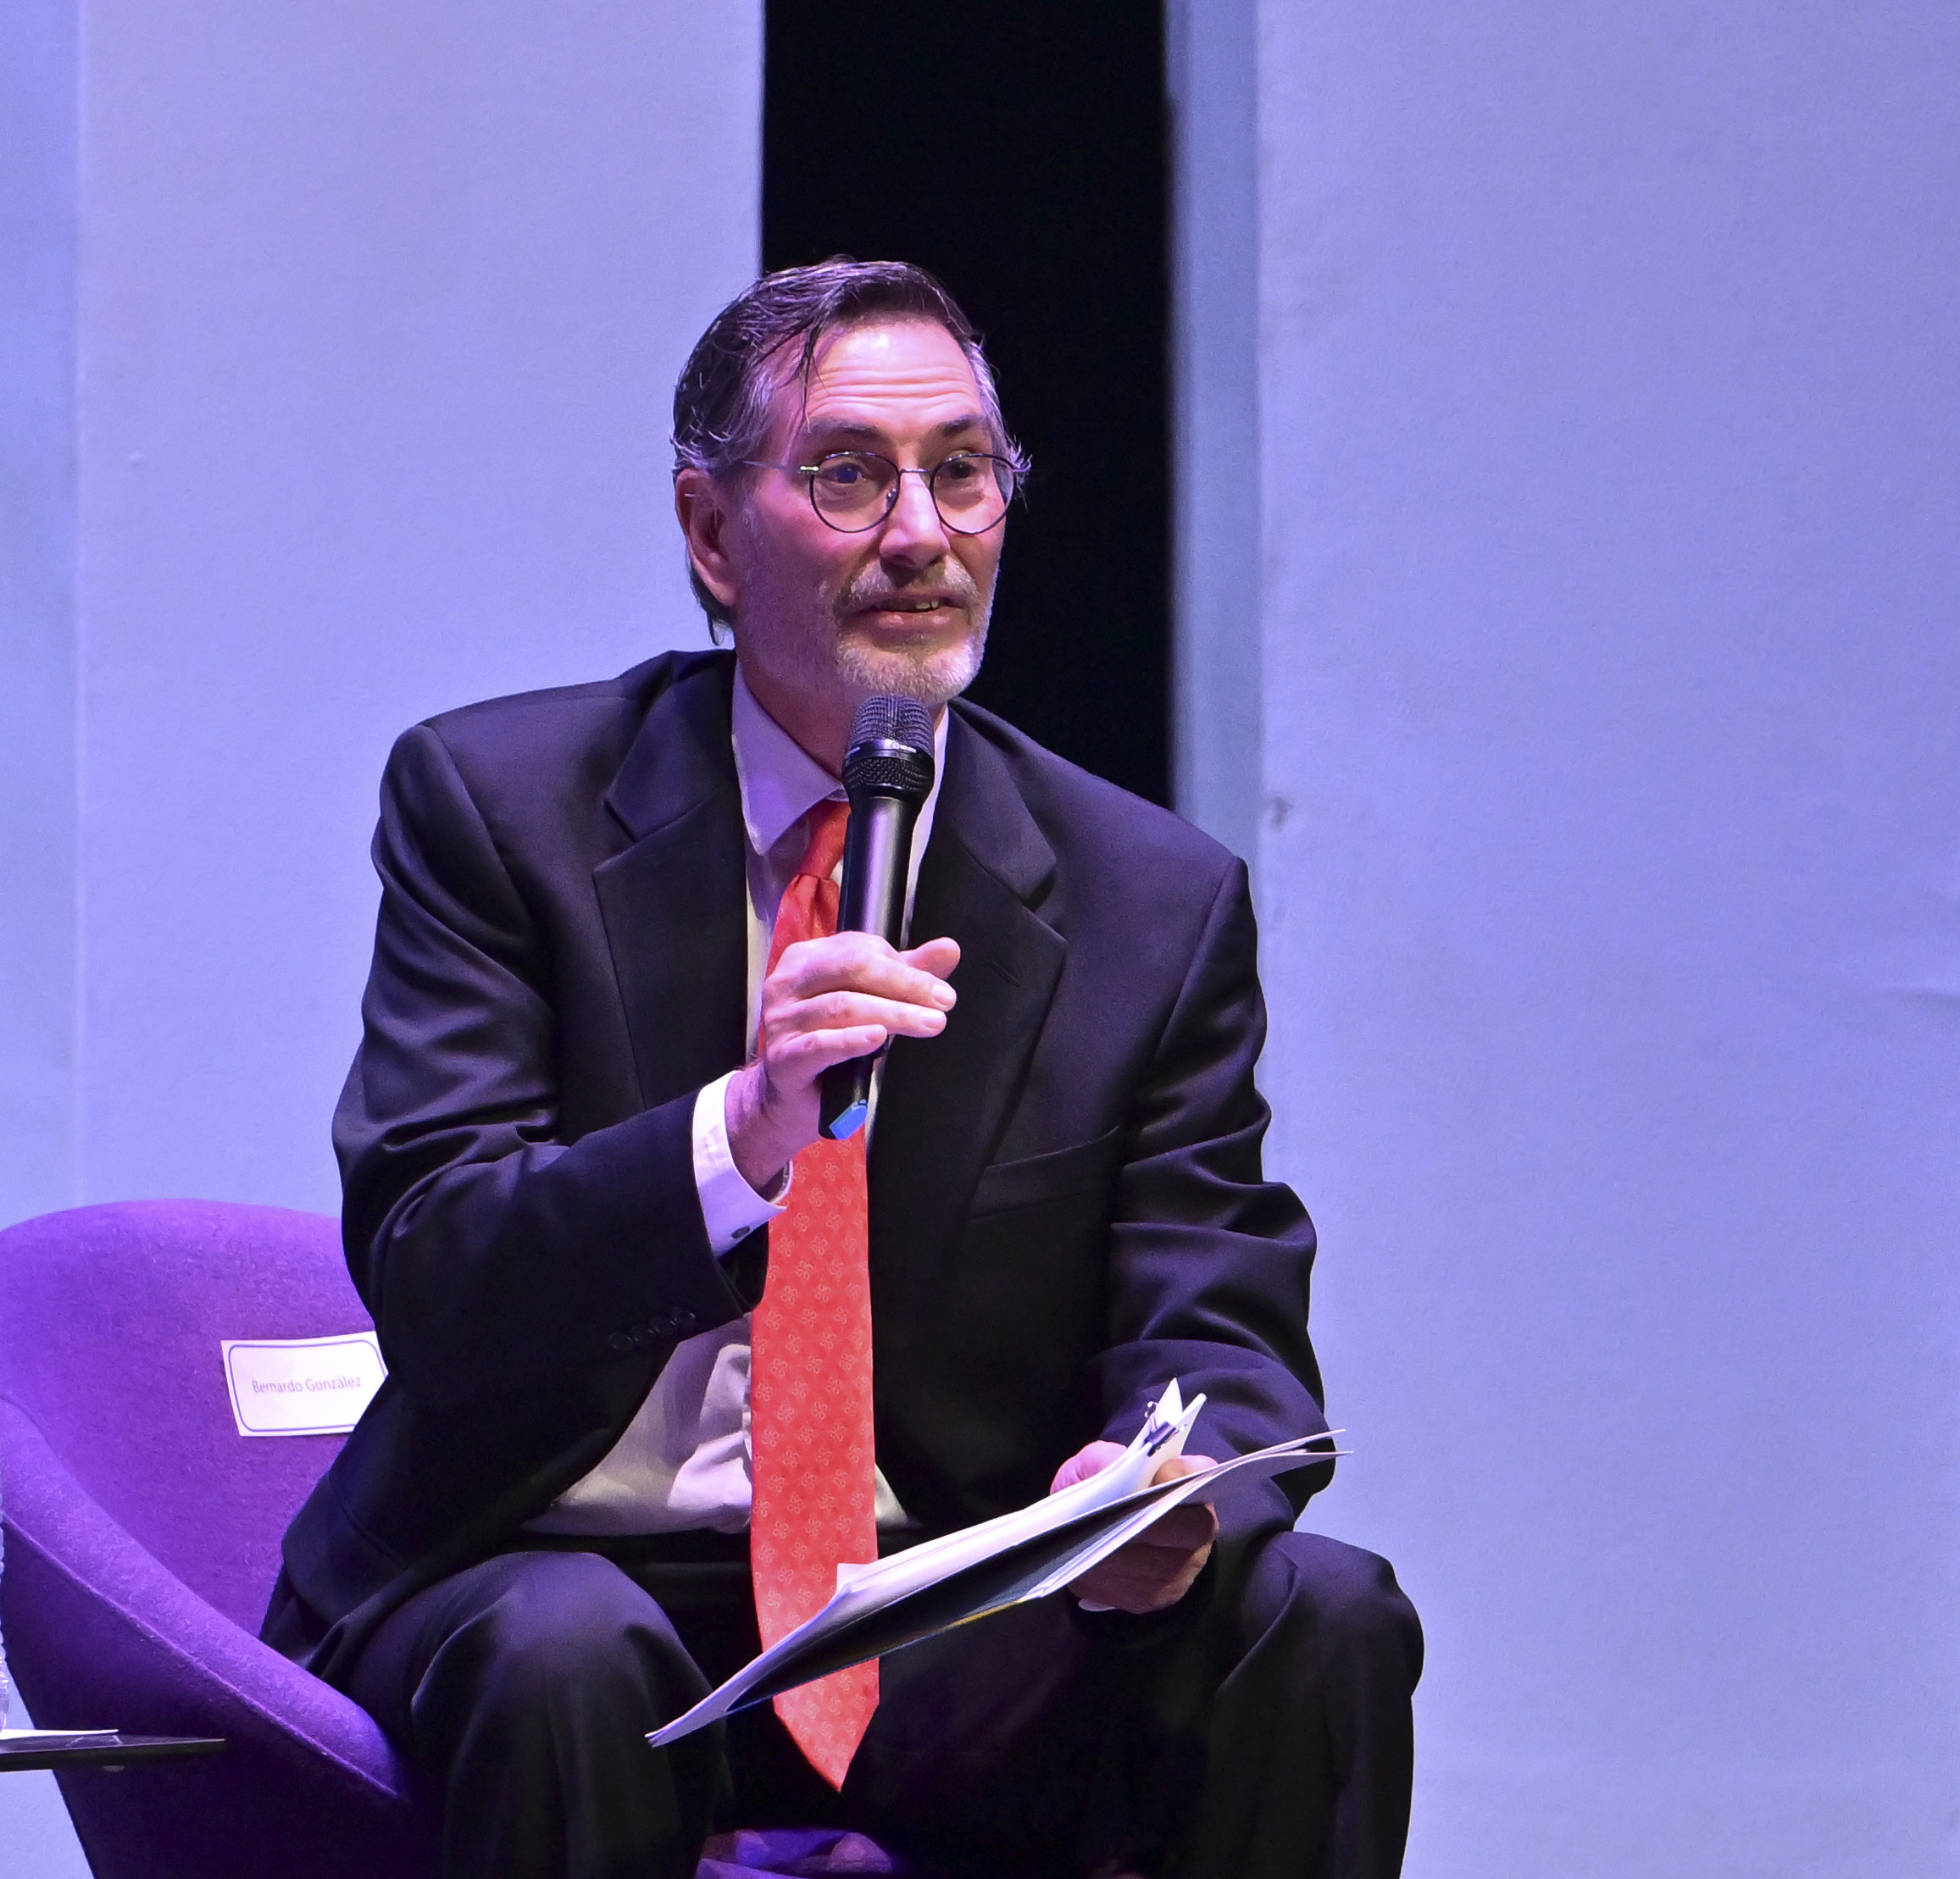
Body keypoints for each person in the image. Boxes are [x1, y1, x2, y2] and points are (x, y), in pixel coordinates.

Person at [263, 259, 1419, 1879]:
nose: (921, 533)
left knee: (1322, 1607)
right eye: (849, 475)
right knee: (564, 1654)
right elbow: (435, 1261)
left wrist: (1170, 1484)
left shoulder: (1149, 898)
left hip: (927, 1596)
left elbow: (1214, 1301)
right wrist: (737, 1134)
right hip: (555, 1561)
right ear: (709, 533)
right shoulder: (499, 807)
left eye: (963, 471)